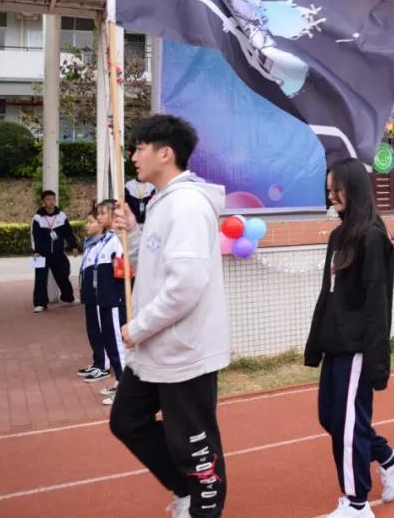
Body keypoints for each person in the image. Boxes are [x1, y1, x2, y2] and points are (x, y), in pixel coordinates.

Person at [109, 114, 230, 518]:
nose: (133, 156)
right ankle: (186, 490)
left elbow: (186, 285)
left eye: (140, 148)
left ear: (166, 153)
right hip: (156, 349)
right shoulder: (162, 201)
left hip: (183, 350)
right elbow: (154, 265)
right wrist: (134, 231)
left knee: (194, 443)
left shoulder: (187, 204)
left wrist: (139, 328)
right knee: (127, 420)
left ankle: (204, 507)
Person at [305, 158, 394, 518]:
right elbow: (328, 293)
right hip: (335, 346)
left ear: (354, 189)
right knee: (332, 418)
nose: (331, 196)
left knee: (348, 425)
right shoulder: (340, 236)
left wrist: (376, 359)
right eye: (329, 189)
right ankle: (388, 458)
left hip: (357, 349)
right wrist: (316, 343)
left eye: (337, 189)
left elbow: (377, 304)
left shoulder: (372, 237)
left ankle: (356, 503)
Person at [94, 199, 129, 406]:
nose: (98, 217)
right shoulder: (105, 240)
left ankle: (125, 389)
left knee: (118, 344)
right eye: (97, 214)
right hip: (105, 299)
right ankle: (119, 380)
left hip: (115, 300)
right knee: (110, 344)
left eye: (102, 213)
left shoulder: (117, 239)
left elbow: (123, 269)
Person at [30, 189, 79, 312]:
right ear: (43, 202)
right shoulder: (37, 218)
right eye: (48, 199)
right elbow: (34, 236)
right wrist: (36, 251)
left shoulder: (62, 216)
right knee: (40, 278)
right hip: (41, 254)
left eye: (53, 199)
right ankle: (40, 304)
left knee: (63, 275)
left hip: (58, 253)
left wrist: (74, 246)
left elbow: (68, 232)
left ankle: (69, 298)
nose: (51, 202)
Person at [77, 206, 111, 384]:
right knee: (92, 329)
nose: (87, 225)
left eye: (91, 222)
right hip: (89, 292)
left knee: (99, 329)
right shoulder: (90, 243)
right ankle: (97, 360)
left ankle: (103, 365)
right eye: (87, 222)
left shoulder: (104, 243)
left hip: (98, 293)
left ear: (100, 224)